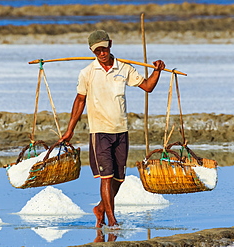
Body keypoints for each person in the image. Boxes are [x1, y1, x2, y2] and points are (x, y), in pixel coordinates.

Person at [58, 30, 165, 228]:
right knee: (106, 176)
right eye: (97, 50)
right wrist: (69, 130)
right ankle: (112, 220)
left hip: (121, 130)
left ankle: (100, 208)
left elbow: (148, 87)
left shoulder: (124, 68)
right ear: (92, 51)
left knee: (119, 178)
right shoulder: (87, 73)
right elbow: (80, 100)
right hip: (99, 132)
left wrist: (157, 71)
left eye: (104, 48)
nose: (101, 53)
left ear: (110, 45)